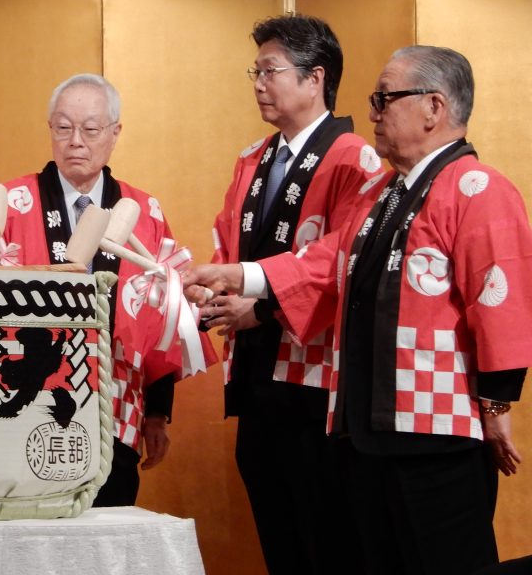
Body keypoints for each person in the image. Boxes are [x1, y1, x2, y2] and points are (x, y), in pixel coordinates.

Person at [185, 46, 532, 575]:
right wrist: (240, 275)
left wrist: (497, 403)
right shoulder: (382, 193)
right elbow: (324, 262)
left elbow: (501, 298)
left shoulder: (477, 187)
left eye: (384, 99)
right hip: (364, 430)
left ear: (433, 107)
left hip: (437, 432)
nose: (372, 113)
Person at [0, 73, 216, 506]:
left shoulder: (143, 211)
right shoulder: (9, 205)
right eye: (63, 127)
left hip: (115, 406)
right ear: (49, 129)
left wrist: (156, 412)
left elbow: (164, 319)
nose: (75, 141)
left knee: (109, 524)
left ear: (114, 133)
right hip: (19, 407)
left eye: (90, 129)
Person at [206, 15, 377, 574]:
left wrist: (261, 306)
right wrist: (212, 290)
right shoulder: (253, 158)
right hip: (256, 370)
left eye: (270, 70)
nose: (258, 83)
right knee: (277, 531)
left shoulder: (353, 157)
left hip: (314, 376)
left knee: (322, 535)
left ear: (315, 77)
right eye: (254, 72)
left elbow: (345, 258)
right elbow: (226, 242)